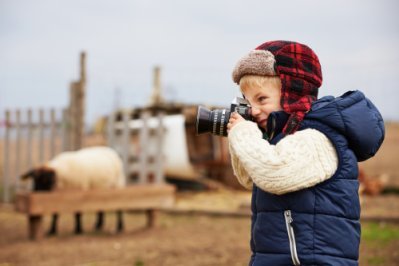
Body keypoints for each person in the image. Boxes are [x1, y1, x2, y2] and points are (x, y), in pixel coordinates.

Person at [226, 40, 385, 266]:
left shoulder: (317, 138)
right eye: (247, 101)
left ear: (293, 92)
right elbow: (249, 176)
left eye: (261, 99)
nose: (253, 110)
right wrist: (238, 132)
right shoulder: (284, 137)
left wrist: (243, 132)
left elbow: (273, 173)